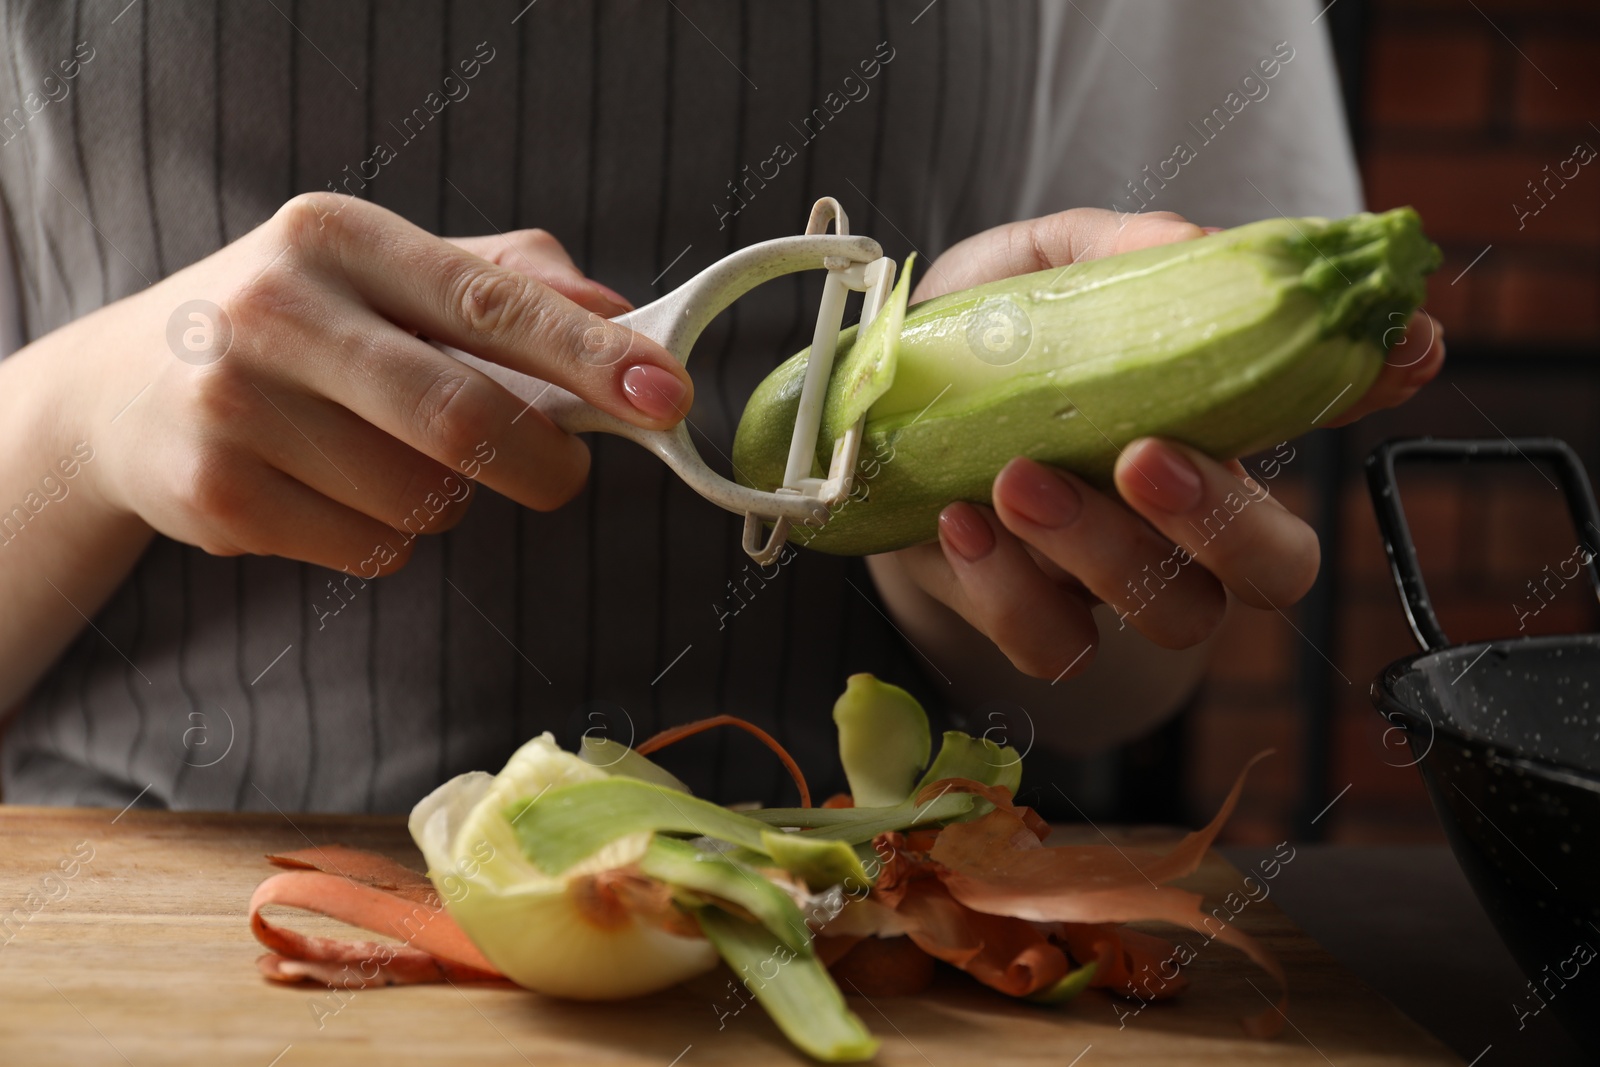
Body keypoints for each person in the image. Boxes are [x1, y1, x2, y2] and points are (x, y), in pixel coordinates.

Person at [0, 0, 1442, 812]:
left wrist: (969, 501)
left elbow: (1140, 675)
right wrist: (78, 421)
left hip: (864, 933)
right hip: (150, 941)